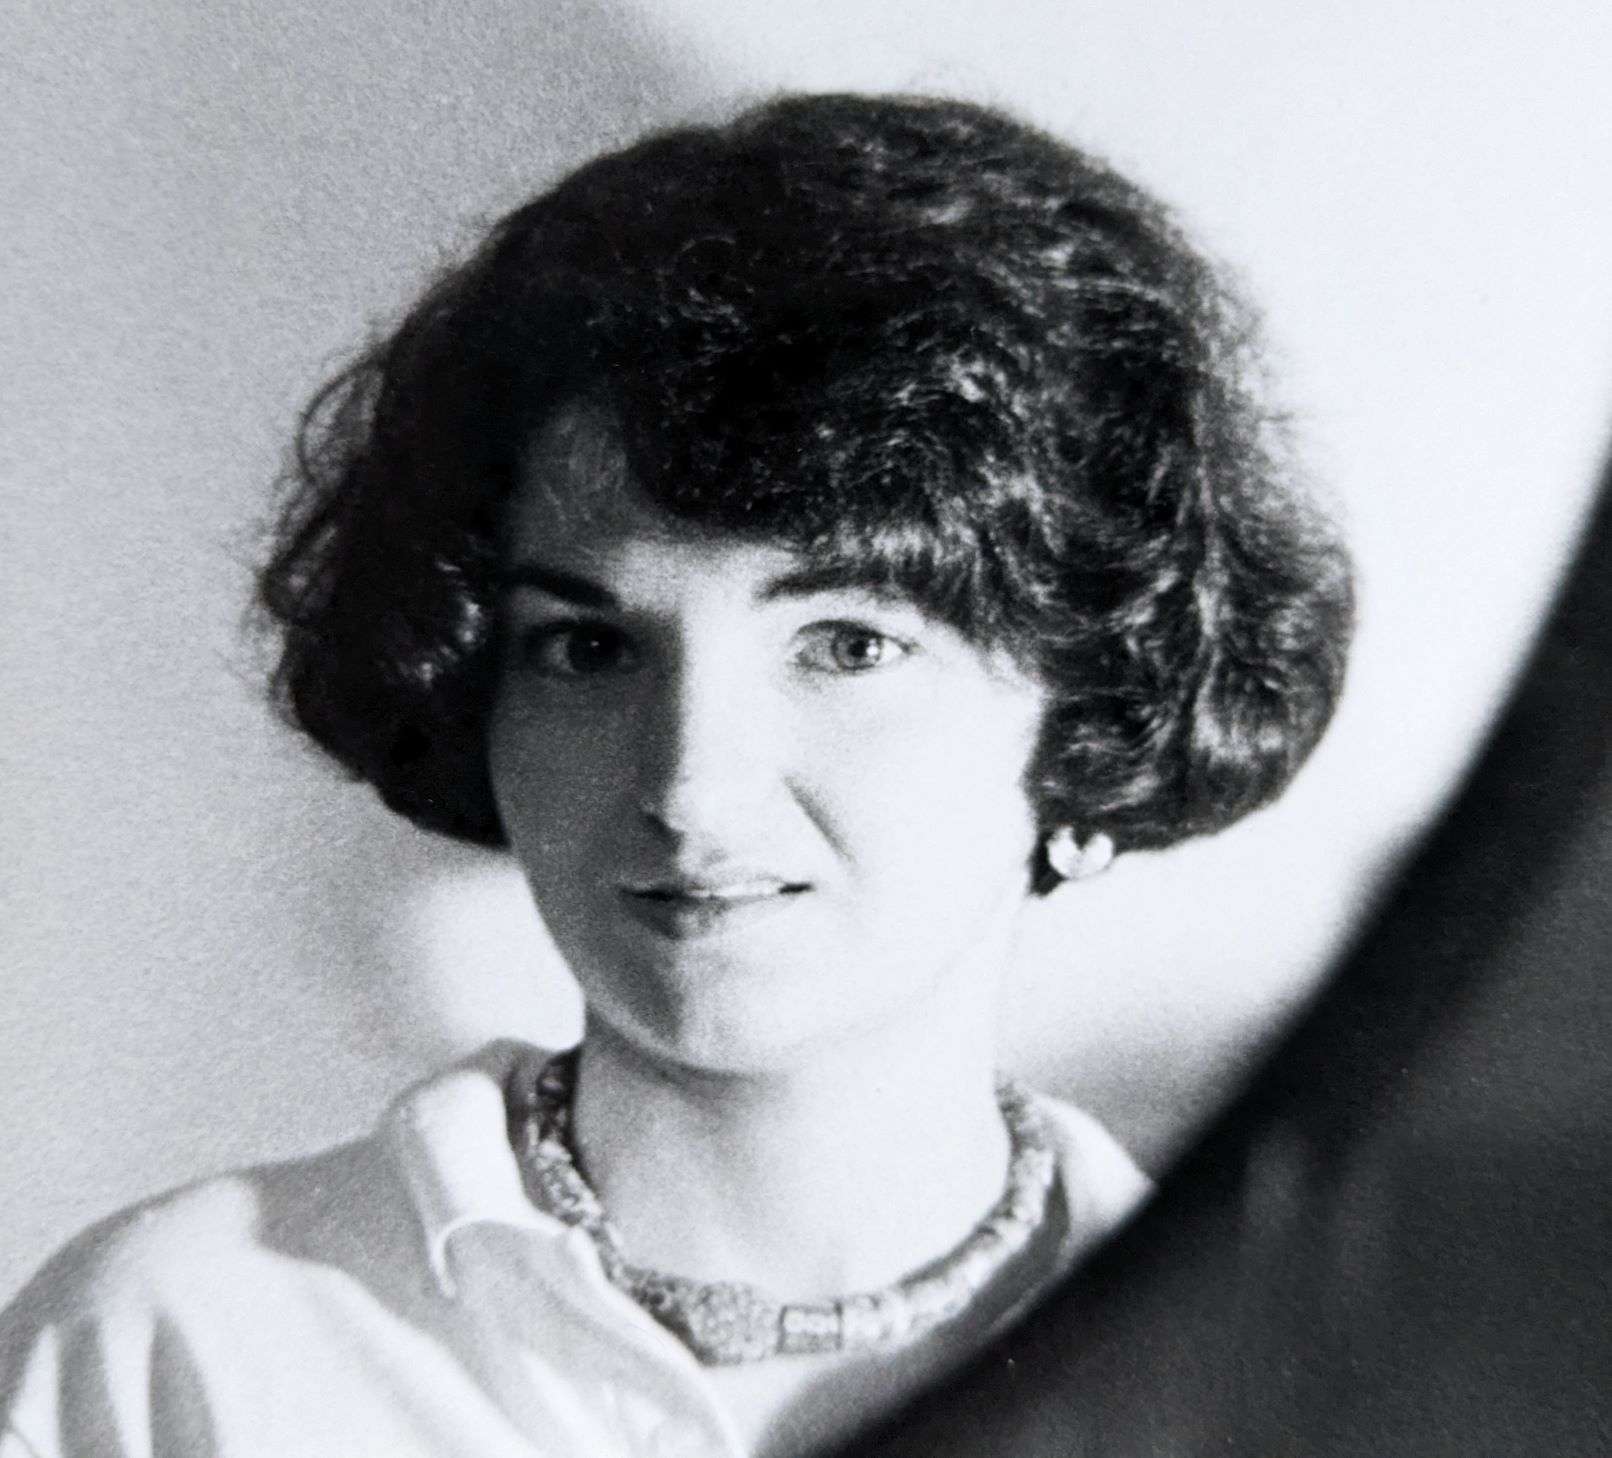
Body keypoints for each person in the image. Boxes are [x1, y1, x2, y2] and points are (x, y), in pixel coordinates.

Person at [0, 92, 1353, 1457]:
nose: (693, 787)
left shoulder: (1289, 1383)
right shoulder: (179, 1352)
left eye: (849, 644)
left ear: (1093, 718)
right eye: (588, 648)